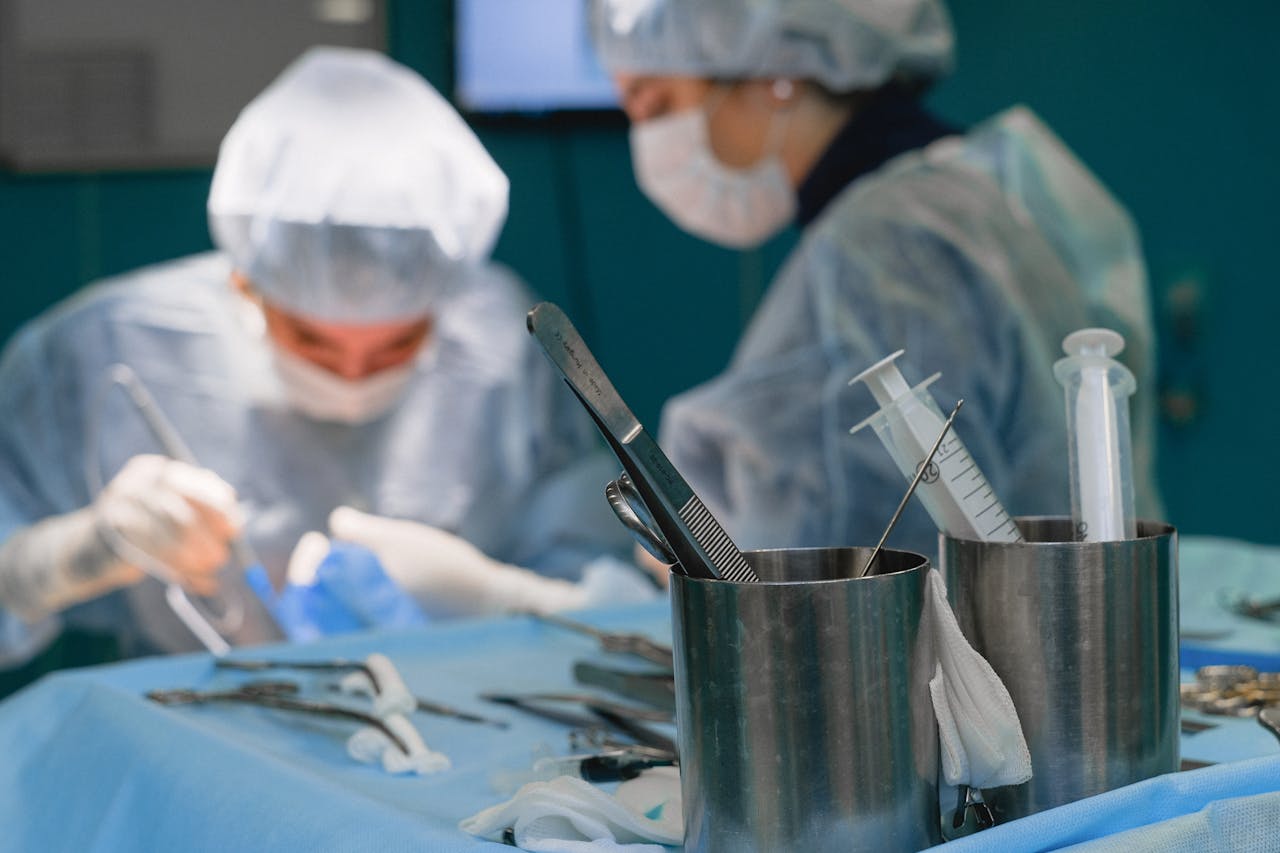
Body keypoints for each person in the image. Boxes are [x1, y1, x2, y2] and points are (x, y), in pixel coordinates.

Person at [0, 47, 642, 668]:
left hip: (473, 718)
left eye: (398, 345)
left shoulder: (502, 339)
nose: (354, 377)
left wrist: (500, 598)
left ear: (446, 304)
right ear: (244, 283)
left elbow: (587, 578)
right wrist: (68, 556)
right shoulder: (105, 347)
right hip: (211, 727)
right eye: (313, 342)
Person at [588, 0, 1163, 558]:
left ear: (778, 78)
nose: (646, 140)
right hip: (1066, 614)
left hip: (974, 644)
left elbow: (860, 564)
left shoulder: (885, 245)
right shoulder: (1002, 179)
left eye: (655, 105)